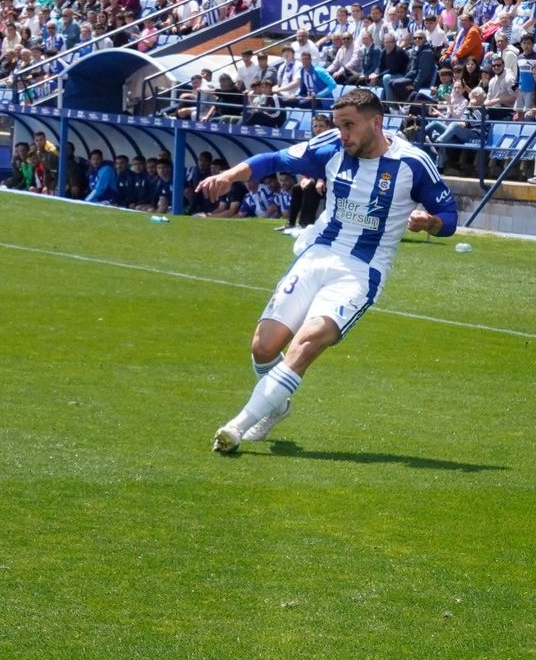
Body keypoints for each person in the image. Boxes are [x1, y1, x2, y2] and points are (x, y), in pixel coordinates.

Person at [195, 88, 457, 454]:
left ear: (376, 121)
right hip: (317, 255)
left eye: (349, 125)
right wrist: (230, 176)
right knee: (262, 348)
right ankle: (276, 406)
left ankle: (236, 427)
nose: (343, 134)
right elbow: (272, 160)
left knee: (306, 342)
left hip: (360, 271)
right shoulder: (331, 146)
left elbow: (450, 218)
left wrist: (429, 222)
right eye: (338, 125)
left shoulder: (411, 163)